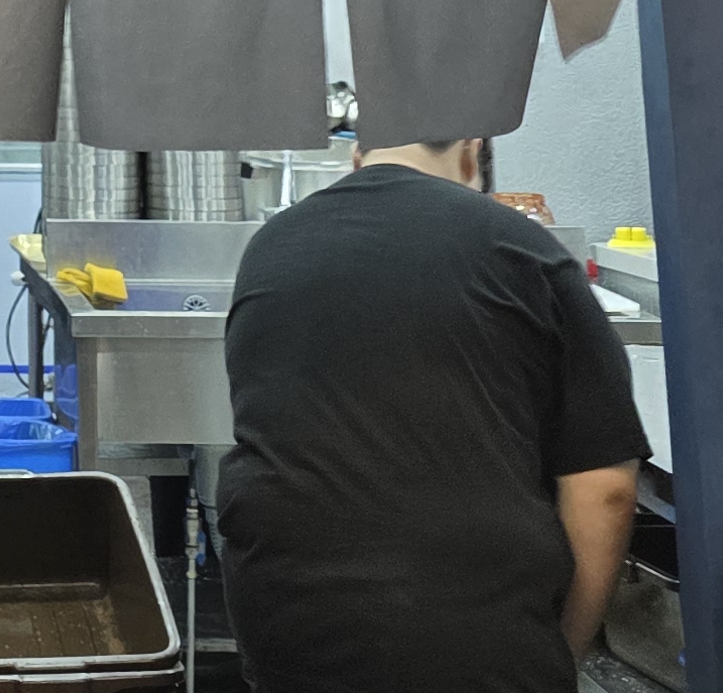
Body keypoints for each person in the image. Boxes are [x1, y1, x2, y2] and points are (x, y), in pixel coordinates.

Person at [214, 138, 650, 693]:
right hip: (478, 638)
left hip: (285, 623)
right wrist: (563, 653)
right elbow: (605, 489)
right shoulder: (524, 247)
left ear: (358, 158)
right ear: (471, 154)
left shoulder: (271, 245)